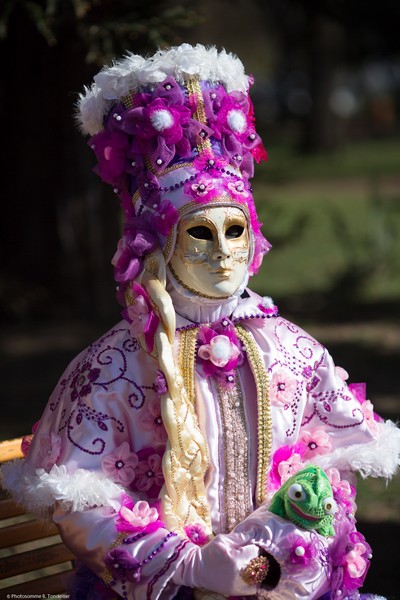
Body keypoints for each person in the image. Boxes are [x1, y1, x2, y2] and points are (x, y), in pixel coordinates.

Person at [3, 44, 399, 600]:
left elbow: (331, 468)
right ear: (161, 243)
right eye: (199, 234)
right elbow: (84, 504)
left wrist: (280, 548)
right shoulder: (113, 368)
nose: (222, 254)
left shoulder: (290, 349)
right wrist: (193, 567)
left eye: (234, 231)